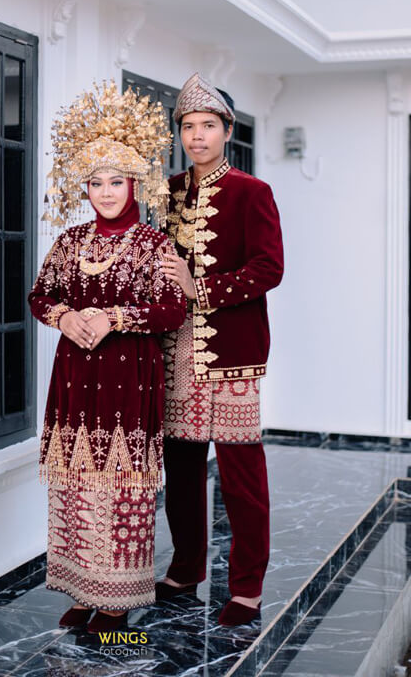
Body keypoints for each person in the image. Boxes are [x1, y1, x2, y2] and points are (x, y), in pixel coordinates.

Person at [28, 81, 186, 634]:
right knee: (74, 482)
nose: (106, 192)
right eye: (95, 183)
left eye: (116, 181)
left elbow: (172, 310)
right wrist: (64, 318)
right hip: (74, 378)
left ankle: (116, 600)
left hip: (127, 382)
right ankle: (80, 588)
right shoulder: (70, 242)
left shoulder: (154, 245)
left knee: (119, 487)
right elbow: (40, 295)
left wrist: (114, 318)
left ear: (134, 183)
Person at [158, 73, 284, 627]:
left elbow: (269, 268)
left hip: (231, 355)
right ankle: (186, 569)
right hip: (172, 353)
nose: (197, 136)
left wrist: (200, 289)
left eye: (208, 125)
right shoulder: (166, 192)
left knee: (241, 478)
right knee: (182, 470)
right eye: (188, 126)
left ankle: (247, 588)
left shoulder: (252, 192)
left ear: (227, 130)